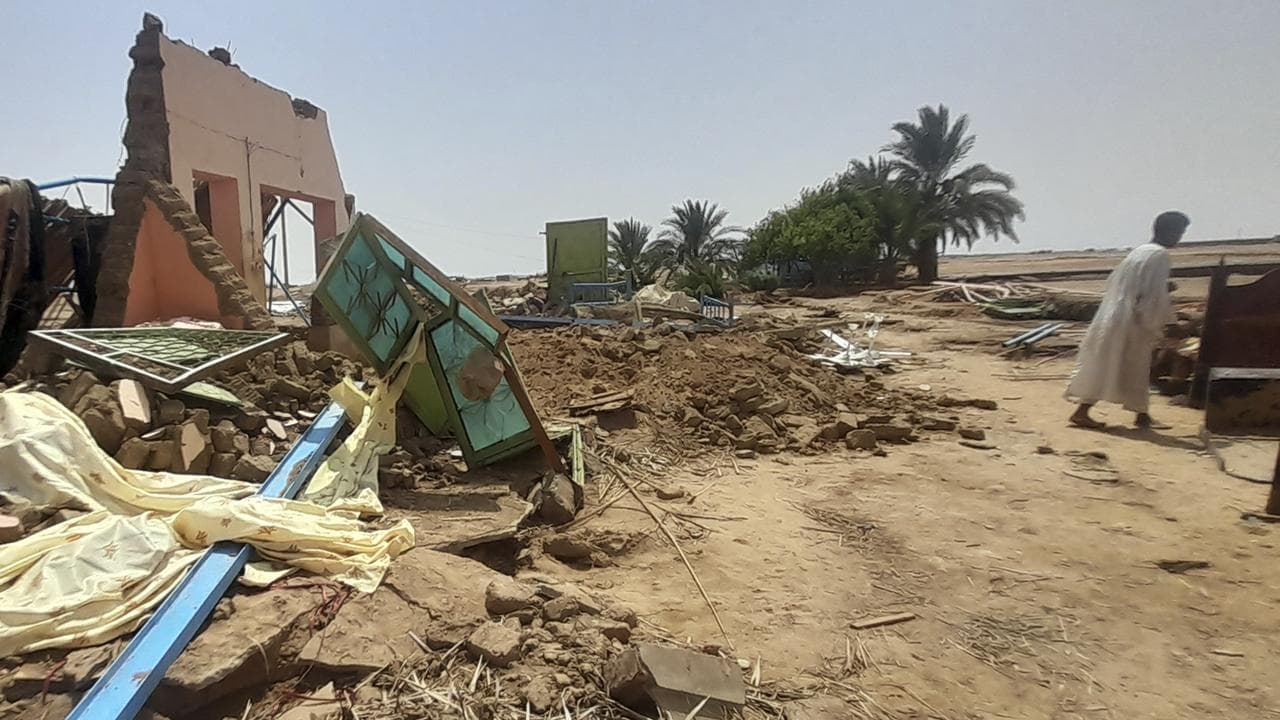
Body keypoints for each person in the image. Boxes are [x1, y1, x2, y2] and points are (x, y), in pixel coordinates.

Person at [1066, 211, 1190, 429]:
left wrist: (1164, 290)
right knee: (1135, 365)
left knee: (1110, 364)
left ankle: (1138, 415)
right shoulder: (1159, 255)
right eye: (1180, 232)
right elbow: (1153, 296)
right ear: (1171, 231)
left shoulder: (1139, 252)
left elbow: (1131, 285)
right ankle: (1135, 415)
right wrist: (1170, 324)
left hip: (1116, 316)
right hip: (1131, 321)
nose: (1180, 237)